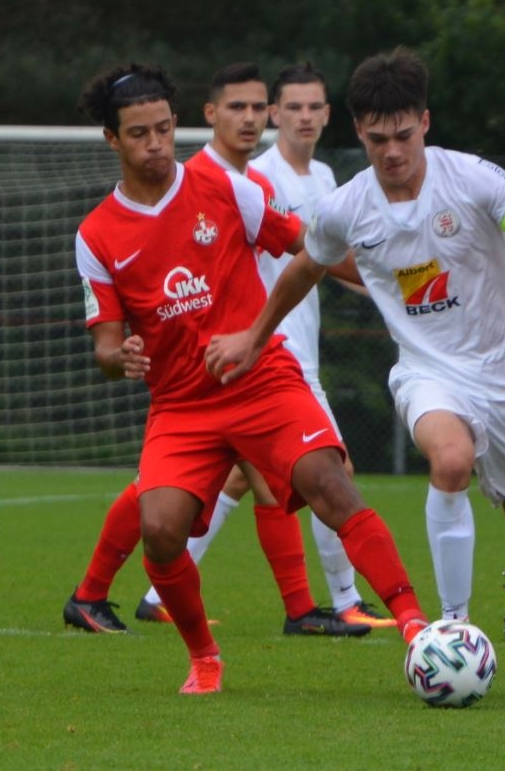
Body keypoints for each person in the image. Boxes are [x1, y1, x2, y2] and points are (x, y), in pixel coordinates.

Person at [205, 47, 505, 697]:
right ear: (358, 130)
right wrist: (254, 334)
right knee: (450, 460)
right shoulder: (346, 207)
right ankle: (454, 629)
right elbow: (304, 267)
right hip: (427, 373)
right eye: (377, 138)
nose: (391, 152)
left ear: (425, 122)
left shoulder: (474, 179)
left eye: (404, 136)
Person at [72, 62, 426, 694]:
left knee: (331, 483)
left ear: (176, 124)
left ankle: (415, 626)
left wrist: (403, 282)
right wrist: (119, 355)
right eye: (139, 134)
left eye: (163, 129)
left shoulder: (224, 187)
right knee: (159, 531)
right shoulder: (96, 234)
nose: (155, 145)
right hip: (181, 406)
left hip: (262, 380)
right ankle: (205, 659)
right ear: (112, 139)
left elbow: (311, 247)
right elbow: (104, 343)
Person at [134, 62, 395, 630]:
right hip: (265, 351)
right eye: (291, 107)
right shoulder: (252, 178)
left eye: (314, 107)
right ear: (278, 113)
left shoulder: (323, 177)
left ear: (329, 115)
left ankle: (155, 596)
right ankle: (345, 601)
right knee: (333, 470)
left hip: (296, 347)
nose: (303, 117)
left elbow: (327, 256)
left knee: (240, 480)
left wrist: (396, 285)